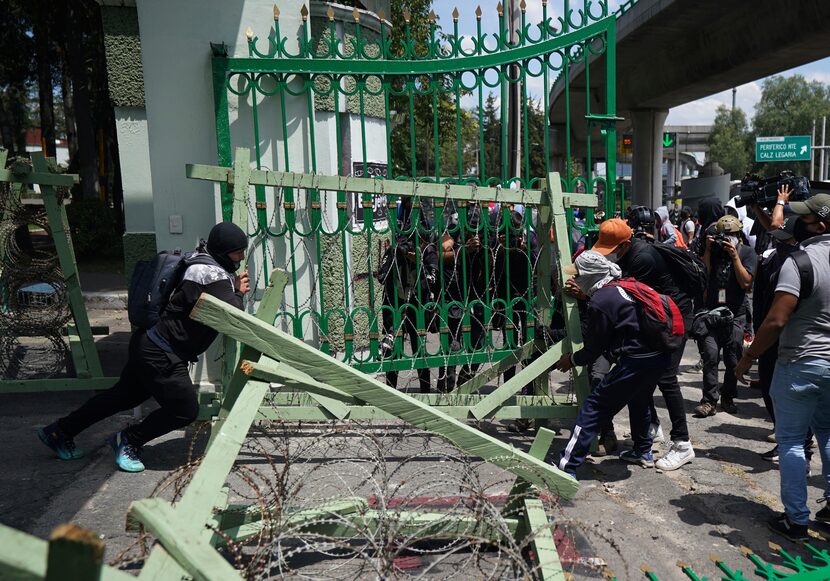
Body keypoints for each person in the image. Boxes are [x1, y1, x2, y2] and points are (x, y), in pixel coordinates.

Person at [37, 222, 251, 472]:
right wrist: (238, 292)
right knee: (185, 410)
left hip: (148, 343)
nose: (241, 257)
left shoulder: (201, 262)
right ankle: (128, 440)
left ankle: (59, 432)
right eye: (238, 252)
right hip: (162, 352)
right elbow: (232, 314)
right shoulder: (212, 275)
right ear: (224, 251)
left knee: (123, 396)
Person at [736, 193, 830, 542]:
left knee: (791, 441)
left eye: (805, 219)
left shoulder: (800, 262)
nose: (798, 224)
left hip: (801, 362)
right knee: (828, 433)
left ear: (818, 225)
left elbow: (776, 321)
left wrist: (748, 357)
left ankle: (796, 519)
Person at [588, 218, 696, 470]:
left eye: (612, 250)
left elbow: (627, 296)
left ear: (625, 244)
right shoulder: (628, 254)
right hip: (657, 315)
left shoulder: (641, 259)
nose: (609, 255)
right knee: (643, 377)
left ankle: (682, 443)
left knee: (666, 378)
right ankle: (649, 432)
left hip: (674, 318)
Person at [554, 251, 670, 478]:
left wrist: (572, 360)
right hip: (660, 355)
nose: (576, 280)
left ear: (589, 276)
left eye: (578, 275)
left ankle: (566, 467)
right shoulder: (622, 285)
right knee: (640, 398)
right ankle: (643, 450)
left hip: (638, 359)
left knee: (593, 407)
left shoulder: (601, 299)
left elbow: (593, 348)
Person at [694, 215, 756, 417]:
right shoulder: (714, 251)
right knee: (710, 355)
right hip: (712, 312)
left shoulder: (746, 252)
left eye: (730, 235)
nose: (726, 240)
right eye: (722, 235)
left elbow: (746, 283)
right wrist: (709, 250)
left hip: (736, 314)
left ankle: (728, 396)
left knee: (733, 359)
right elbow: (704, 275)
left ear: (738, 235)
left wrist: (735, 257)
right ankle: (709, 400)